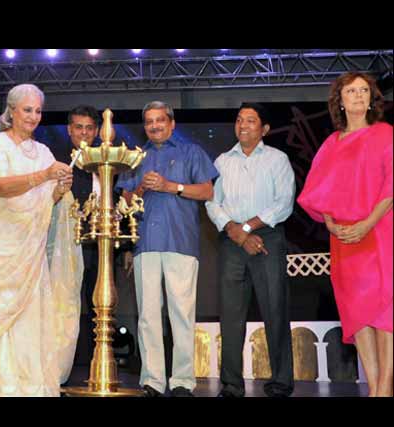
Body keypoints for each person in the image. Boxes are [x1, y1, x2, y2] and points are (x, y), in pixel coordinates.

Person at [0, 83, 81, 396]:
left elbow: (47, 201)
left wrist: (59, 188)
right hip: (0, 244)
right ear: (12, 111)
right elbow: (1, 186)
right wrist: (43, 177)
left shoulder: (43, 151)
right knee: (0, 311)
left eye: (38, 111)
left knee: (32, 314)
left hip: (31, 249)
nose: (33, 116)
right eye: (27, 109)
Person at [297, 72, 392, 397]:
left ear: (372, 97)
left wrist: (369, 222)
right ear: (340, 99)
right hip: (345, 240)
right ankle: (374, 386)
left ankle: (385, 388)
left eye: (364, 90)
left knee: (385, 311)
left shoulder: (385, 134)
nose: (359, 96)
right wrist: (330, 223)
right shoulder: (331, 144)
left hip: (380, 233)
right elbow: (317, 190)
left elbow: (391, 187)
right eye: (351, 91)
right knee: (357, 312)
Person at [116, 101, 218, 397]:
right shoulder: (135, 157)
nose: (155, 126)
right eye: (149, 121)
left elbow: (207, 191)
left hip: (181, 242)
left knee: (182, 314)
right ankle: (153, 381)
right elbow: (124, 203)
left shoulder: (191, 151)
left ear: (171, 123)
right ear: (144, 126)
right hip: (145, 243)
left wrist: (171, 186)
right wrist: (142, 190)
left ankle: (183, 381)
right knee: (147, 315)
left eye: (160, 120)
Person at [205, 103, 296, 398]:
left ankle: (280, 383)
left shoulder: (277, 159)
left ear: (264, 129)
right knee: (230, 315)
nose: (243, 125)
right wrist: (235, 229)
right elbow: (211, 201)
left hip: (267, 237)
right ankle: (231, 385)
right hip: (232, 240)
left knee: (275, 309)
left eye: (251, 120)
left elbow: (284, 203)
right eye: (239, 119)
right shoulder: (221, 161)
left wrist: (248, 228)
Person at [52, 105, 101, 369]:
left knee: (99, 308)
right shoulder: (55, 159)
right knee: (64, 306)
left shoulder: (105, 159)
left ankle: (97, 367)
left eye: (89, 128)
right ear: (69, 129)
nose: (84, 132)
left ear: (96, 130)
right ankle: (59, 368)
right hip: (64, 245)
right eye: (79, 127)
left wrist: (126, 249)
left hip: (100, 246)